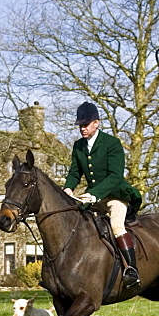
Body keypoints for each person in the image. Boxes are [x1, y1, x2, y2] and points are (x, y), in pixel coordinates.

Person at [63, 101, 143, 288]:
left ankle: (131, 270)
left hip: (115, 195)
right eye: (80, 125)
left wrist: (93, 194)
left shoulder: (112, 144)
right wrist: (68, 188)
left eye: (85, 124)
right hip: (93, 198)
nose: (82, 128)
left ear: (96, 123)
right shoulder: (78, 146)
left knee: (116, 226)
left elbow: (115, 176)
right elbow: (75, 173)